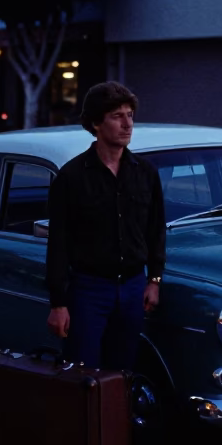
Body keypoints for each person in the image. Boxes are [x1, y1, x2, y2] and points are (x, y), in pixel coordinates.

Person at [45, 81, 165, 370]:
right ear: (96, 123)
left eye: (130, 115)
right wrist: (58, 303)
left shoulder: (145, 173)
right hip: (89, 289)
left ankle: (117, 417)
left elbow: (155, 228)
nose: (127, 124)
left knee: (122, 372)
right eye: (117, 116)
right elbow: (59, 242)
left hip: (134, 286)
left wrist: (155, 279)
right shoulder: (72, 177)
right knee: (83, 372)